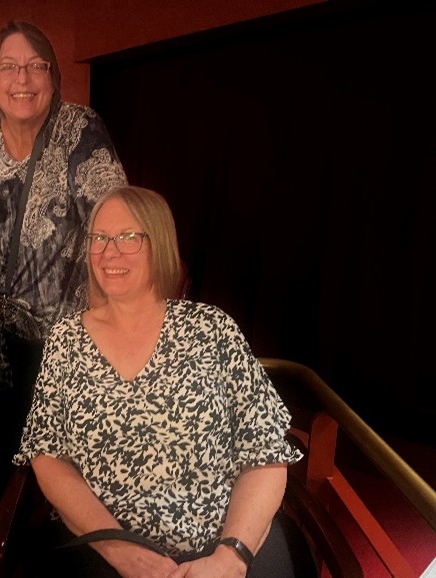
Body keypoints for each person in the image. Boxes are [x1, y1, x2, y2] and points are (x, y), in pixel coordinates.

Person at [15, 186, 304, 578]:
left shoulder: (212, 329)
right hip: (104, 552)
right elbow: (48, 455)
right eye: (99, 237)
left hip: (223, 544)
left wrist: (231, 557)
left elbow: (266, 454)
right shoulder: (66, 340)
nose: (109, 252)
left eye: (128, 237)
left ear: (160, 244)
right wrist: (119, 549)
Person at [0, 20, 128, 466]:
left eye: (36, 66)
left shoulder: (79, 130)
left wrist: (103, 325)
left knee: (50, 455)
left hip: (60, 339)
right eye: (9, 67)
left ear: (53, 78)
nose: (22, 79)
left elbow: (113, 225)